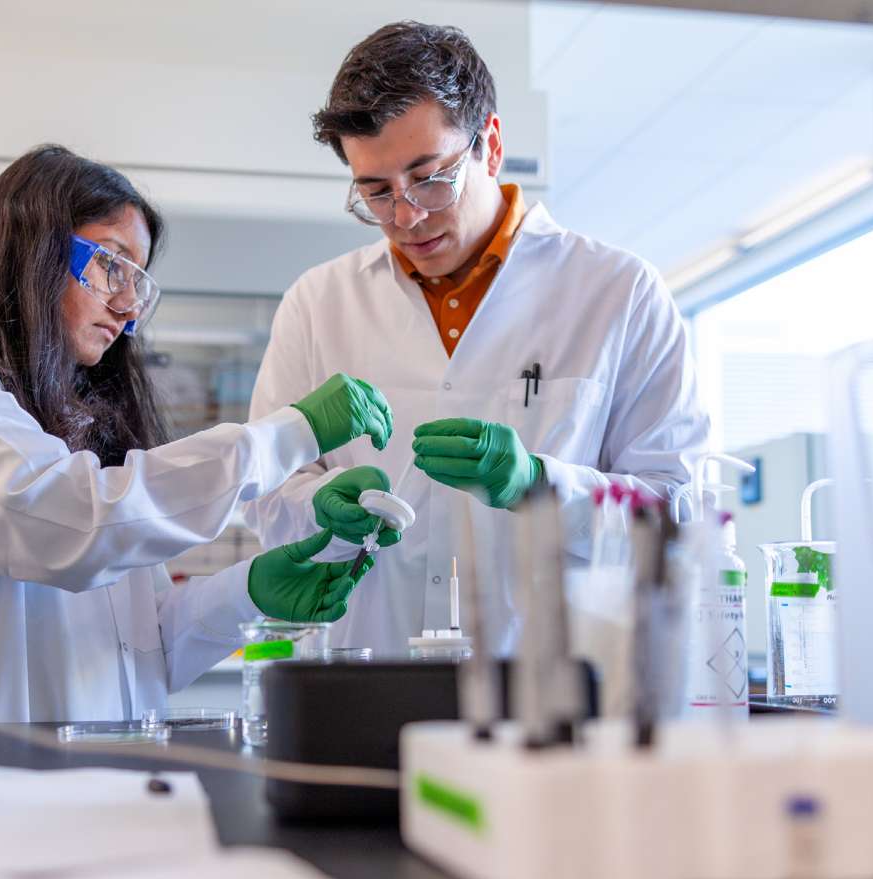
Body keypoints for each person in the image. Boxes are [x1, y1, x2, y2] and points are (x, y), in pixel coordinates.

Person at [0, 145, 400, 723]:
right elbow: (64, 524)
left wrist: (248, 592)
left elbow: (139, 649)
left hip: (98, 780)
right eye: (112, 265)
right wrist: (287, 437)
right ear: (31, 251)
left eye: (140, 281)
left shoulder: (77, 417)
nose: (130, 308)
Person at [246, 22, 710, 655]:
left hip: (552, 691)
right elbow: (268, 495)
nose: (407, 215)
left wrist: (538, 486)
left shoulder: (619, 292)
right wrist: (319, 507)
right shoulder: (317, 302)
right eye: (376, 192)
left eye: (430, 177)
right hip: (362, 675)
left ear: (489, 146)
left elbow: (679, 516)